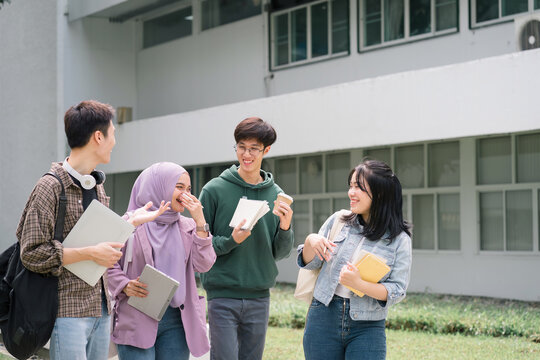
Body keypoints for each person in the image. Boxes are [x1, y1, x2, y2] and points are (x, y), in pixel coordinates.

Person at [17, 100, 169, 360]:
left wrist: (131, 222)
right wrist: (89, 253)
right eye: (113, 134)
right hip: (66, 310)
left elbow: (98, 239)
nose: (114, 142)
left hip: (101, 308)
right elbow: (31, 253)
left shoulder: (96, 186)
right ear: (98, 136)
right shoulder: (50, 186)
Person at [199, 117, 295, 360]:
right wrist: (231, 240)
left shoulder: (277, 195)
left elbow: (280, 253)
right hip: (222, 294)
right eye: (241, 147)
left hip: (259, 296)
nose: (246, 154)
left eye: (254, 148)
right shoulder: (214, 190)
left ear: (266, 150)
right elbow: (199, 246)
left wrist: (286, 227)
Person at [298, 160, 412, 360]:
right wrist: (311, 240)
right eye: (351, 186)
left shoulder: (399, 240)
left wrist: (359, 284)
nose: (351, 192)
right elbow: (311, 262)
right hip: (323, 316)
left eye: (359, 187)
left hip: (367, 326)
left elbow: (397, 290)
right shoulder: (338, 220)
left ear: (380, 193)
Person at [108, 162, 216, 360]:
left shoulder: (189, 226)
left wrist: (201, 222)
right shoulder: (131, 222)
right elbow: (107, 261)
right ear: (158, 187)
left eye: (189, 188)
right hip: (136, 315)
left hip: (178, 318)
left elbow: (204, 264)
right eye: (179, 187)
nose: (186, 194)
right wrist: (124, 285)